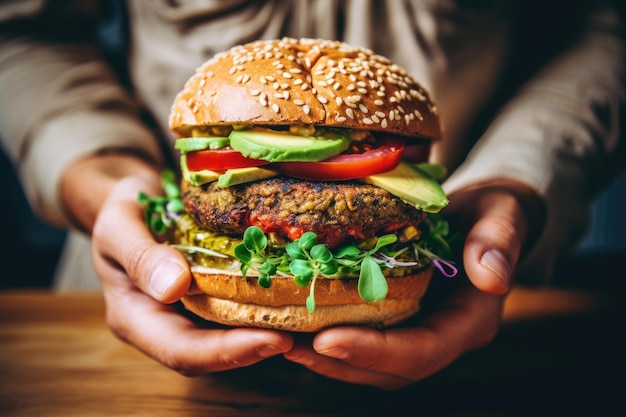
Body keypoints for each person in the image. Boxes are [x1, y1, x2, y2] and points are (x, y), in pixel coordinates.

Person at [0, 0, 624, 390]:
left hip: (469, 317)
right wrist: (102, 174)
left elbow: (604, 27)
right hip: (124, 320)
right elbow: (25, 33)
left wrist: (519, 176)